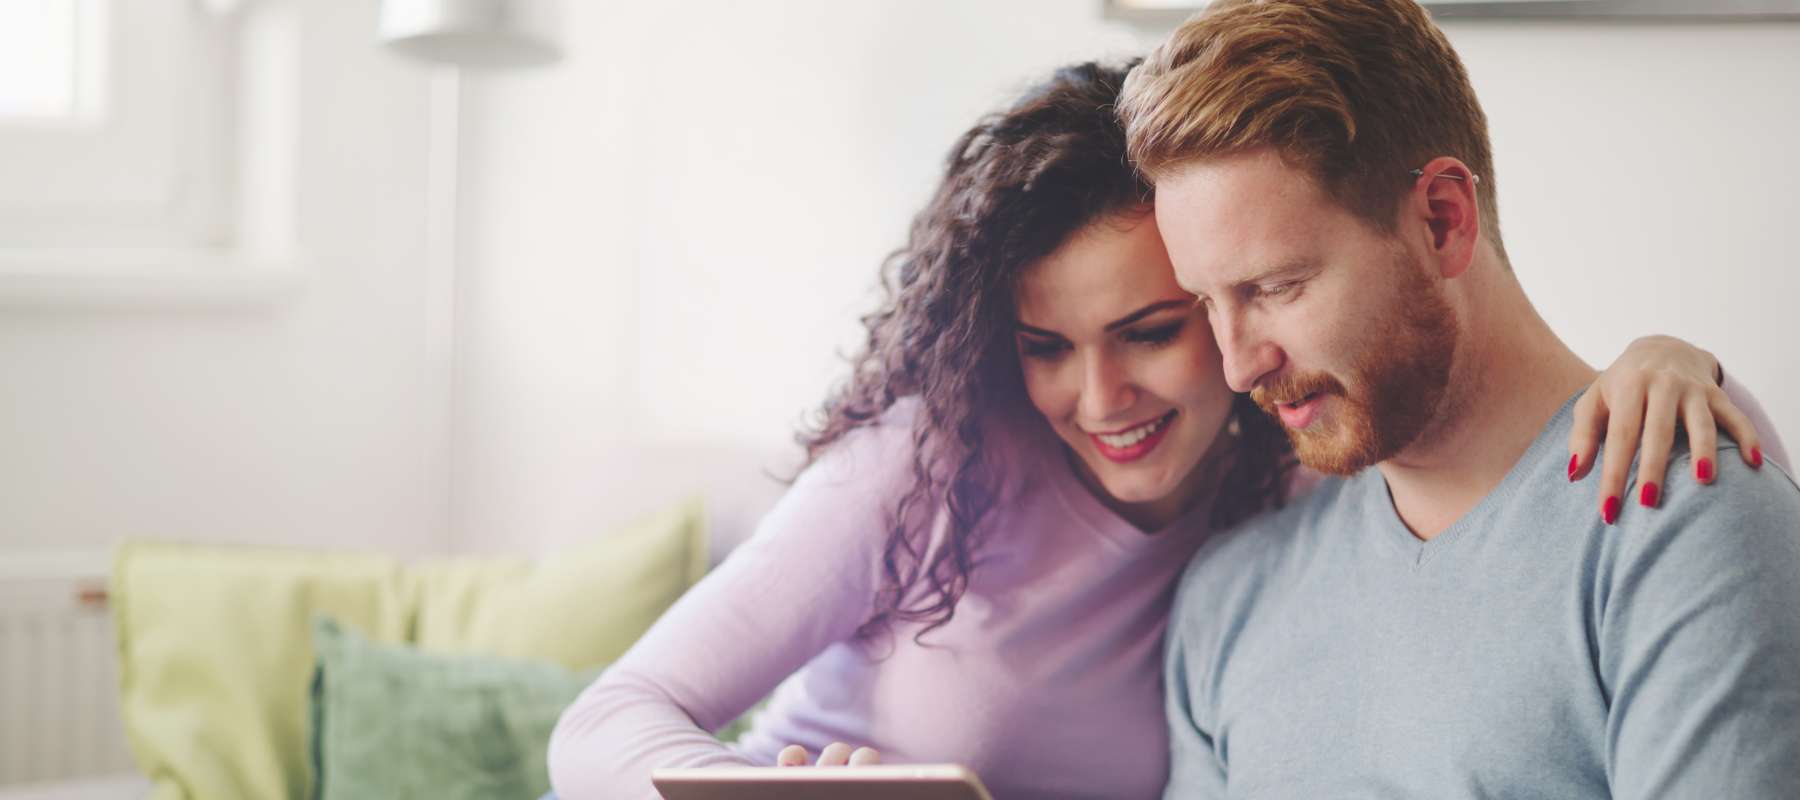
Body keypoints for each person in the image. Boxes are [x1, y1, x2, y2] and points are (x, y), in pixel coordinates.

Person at [545, 59, 1776, 800]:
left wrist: (1680, 364)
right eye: (1045, 346)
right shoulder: (931, 466)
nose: (1099, 398)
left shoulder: (1290, 473)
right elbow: (607, 717)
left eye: (1149, 327)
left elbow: (1479, 438)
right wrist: (739, 796)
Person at [1115, 1, 1800, 796]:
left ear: (1443, 221)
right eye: (1205, 302)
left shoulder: (1681, 531)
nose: (1238, 367)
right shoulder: (1228, 602)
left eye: (1276, 287)